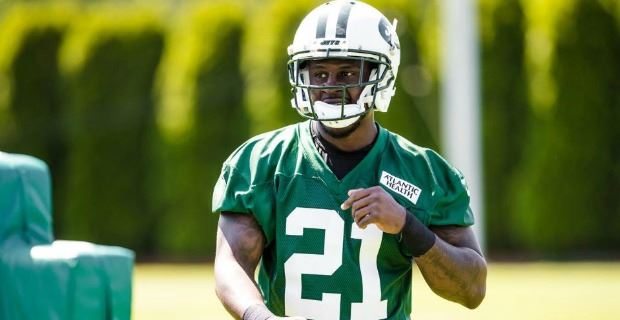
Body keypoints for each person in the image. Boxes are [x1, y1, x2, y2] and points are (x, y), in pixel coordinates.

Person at [212, 1, 487, 319]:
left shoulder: (423, 171)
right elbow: (230, 264)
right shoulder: (263, 162)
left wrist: (407, 225)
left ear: (380, 75)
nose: (331, 87)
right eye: (319, 73)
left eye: (346, 73)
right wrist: (260, 317)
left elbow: (472, 289)